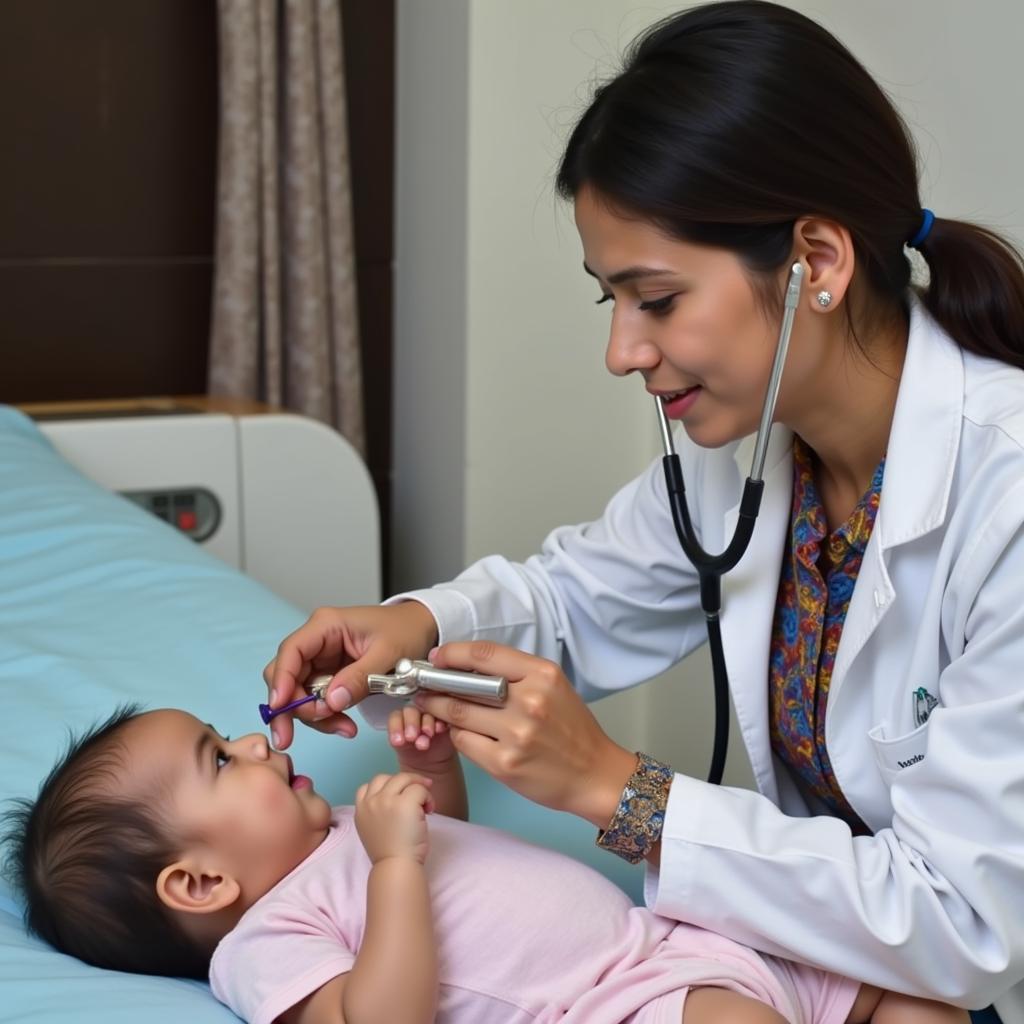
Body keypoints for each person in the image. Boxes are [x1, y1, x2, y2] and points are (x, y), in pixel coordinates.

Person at [262, 3, 1024, 1023]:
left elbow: (966, 925)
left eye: (656, 299)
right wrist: (419, 631)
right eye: (607, 301)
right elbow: (577, 598)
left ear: (818, 262)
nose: (622, 351)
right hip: (841, 967)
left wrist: (618, 790)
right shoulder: (760, 444)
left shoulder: (1003, 495)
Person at [3, 702, 968, 1024]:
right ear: (201, 883)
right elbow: (383, 1016)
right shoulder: (262, 943)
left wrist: (427, 771)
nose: (260, 746)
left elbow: (448, 852)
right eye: (223, 760)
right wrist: (388, 865)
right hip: (611, 1006)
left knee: (914, 988)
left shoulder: (336, 827)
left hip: (672, 937)